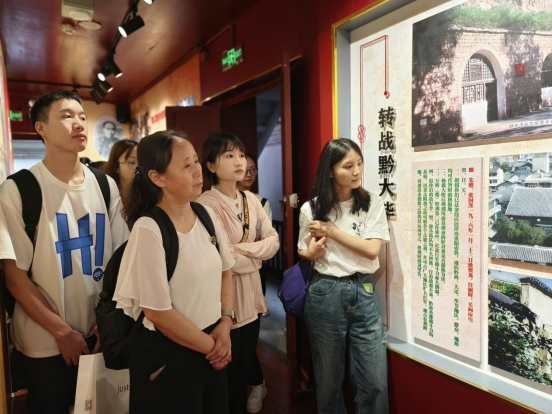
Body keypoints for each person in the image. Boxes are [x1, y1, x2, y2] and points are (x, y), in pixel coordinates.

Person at [0, 90, 129, 414]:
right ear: (41, 128)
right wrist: (62, 332)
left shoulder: (105, 185)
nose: (79, 123)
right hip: (44, 342)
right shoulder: (18, 190)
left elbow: (122, 261)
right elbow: (15, 278)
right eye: (66, 116)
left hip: (101, 333)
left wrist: (108, 323)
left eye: (82, 116)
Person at [113, 130, 235, 414]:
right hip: (170, 355)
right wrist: (214, 347)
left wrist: (226, 323)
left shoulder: (206, 215)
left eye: (196, 161)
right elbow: (158, 312)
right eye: (186, 165)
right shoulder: (149, 228)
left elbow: (226, 272)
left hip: (213, 343)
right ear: (157, 178)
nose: (197, 171)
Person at [298, 138, 390, 414]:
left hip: (364, 291)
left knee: (374, 382)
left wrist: (332, 232)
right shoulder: (311, 208)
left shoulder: (372, 202)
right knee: (328, 383)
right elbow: (304, 250)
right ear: (330, 171)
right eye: (348, 166)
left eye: (359, 163)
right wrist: (312, 252)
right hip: (325, 291)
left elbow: (372, 250)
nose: (356, 171)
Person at [198, 132, 279, 414]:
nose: (239, 162)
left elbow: (273, 241)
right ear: (211, 165)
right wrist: (256, 257)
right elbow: (222, 260)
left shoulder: (251, 200)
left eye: (241, 155)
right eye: (229, 155)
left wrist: (240, 251)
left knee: (244, 367)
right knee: (227, 380)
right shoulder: (206, 204)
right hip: (225, 304)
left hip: (252, 301)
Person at [236, 154, 272, 412]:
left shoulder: (260, 202)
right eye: (244, 169)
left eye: (253, 170)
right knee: (233, 338)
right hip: (226, 278)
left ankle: (258, 384)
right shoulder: (213, 202)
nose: (249, 174)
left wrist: (236, 250)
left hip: (255, 275)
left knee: (249, 337)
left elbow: (267, 244)